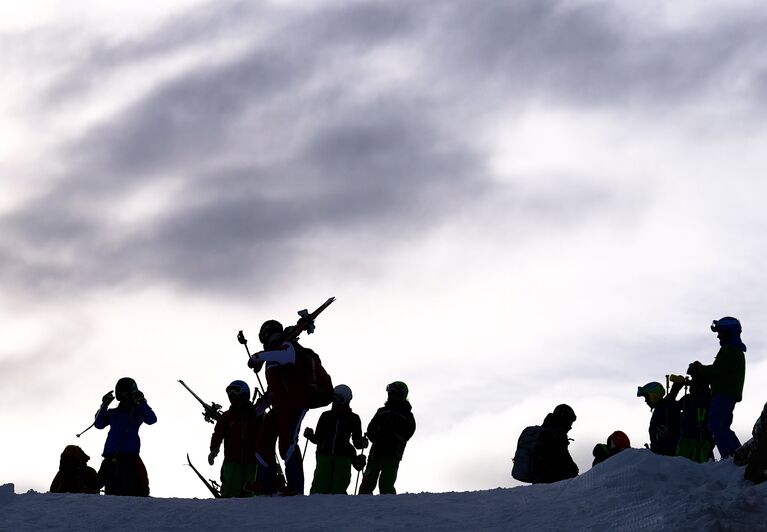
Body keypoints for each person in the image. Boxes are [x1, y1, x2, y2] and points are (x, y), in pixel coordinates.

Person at [247, 320, 310, 495]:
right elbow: (273, 390)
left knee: (287, 441)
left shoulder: (287, 346)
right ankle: (265, 482)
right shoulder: (271, 358)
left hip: (294, 403)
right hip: (279, 405)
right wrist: (257, 410)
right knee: (263, 442)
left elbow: (285, 357)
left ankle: (295, 486)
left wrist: (258, 357)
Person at [688, 316, 746, 459]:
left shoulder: (730, 350)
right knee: (722, 425)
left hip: (724, 394)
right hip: (726, 393)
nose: (718, 336)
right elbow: (718, 370)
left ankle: (730, 455)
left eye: (720, 332)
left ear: (728, 332)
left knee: (716, 424)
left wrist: (700, 369)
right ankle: (740, 454)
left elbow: (718, 370)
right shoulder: (731, 350)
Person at [94, 377, 157, 496]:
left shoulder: (137, 411)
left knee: (128, 494)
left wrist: (142, 402)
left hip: (128, 459)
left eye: (125, 393)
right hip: (111, 459)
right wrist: (104, 405)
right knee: (111, 494)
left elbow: (152, 419)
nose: (124, 396)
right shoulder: (113, 413)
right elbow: (98, 424)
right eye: (121, 393)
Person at [304, 384, 368, 494]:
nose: (335, 401)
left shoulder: (353, 418)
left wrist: (362, 443)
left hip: (342, 458)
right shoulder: (325, 416)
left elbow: (357, 443)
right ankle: (316, 509)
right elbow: (318, 439)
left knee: (338, 491)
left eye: (339, 398)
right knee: (319, 489)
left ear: (346, 400)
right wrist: (310, 435)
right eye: (334, 398)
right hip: (325, 456)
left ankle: (337, 510)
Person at [208, 380, 264, 498]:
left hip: (252, 461)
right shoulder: (227, 417)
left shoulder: (256, 415)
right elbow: (217, 434)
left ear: (245, 395)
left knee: (250, 491)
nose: (234, 399)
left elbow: (267, 434)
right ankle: (228, 501)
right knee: (233, 489)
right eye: (231, 396)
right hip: (232, 461)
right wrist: (214, 449)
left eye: (237, 395)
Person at [358, 381, 416, 495]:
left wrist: (393, 434)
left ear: (401, 394)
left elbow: (409, 432)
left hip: (392, 453)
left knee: (386, 484)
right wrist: (374, 435)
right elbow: (371, 429)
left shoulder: (406, 414)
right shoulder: (382, 411)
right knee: (367, 482)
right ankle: (361, 505)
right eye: (390, 391)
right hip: (376, 452)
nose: (390, 394)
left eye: (394, 391)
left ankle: (388, 506)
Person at [671, 373, 714, 463]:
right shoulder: (690, 398)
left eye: (693, 381)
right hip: (692, 439)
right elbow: (672, 408)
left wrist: (674, 391)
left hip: (700, 441)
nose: (690, 383)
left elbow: (672, 408)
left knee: (686, 468)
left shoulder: (705, 399)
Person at [533, 404, 579, 483]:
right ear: (565, 418)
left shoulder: (546, 429)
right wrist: (574, 470)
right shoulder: (556, 432)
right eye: (570, 420)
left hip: (540, 479)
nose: (571, 425)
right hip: (551, 479)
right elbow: (561, 457)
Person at [636, 381, 683, 456]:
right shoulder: (663, 407)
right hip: (665, 453)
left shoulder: (663, 409)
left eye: (646, 397)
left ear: (654, 396)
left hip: (666, 454)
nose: (646, 401)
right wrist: (674, 389)